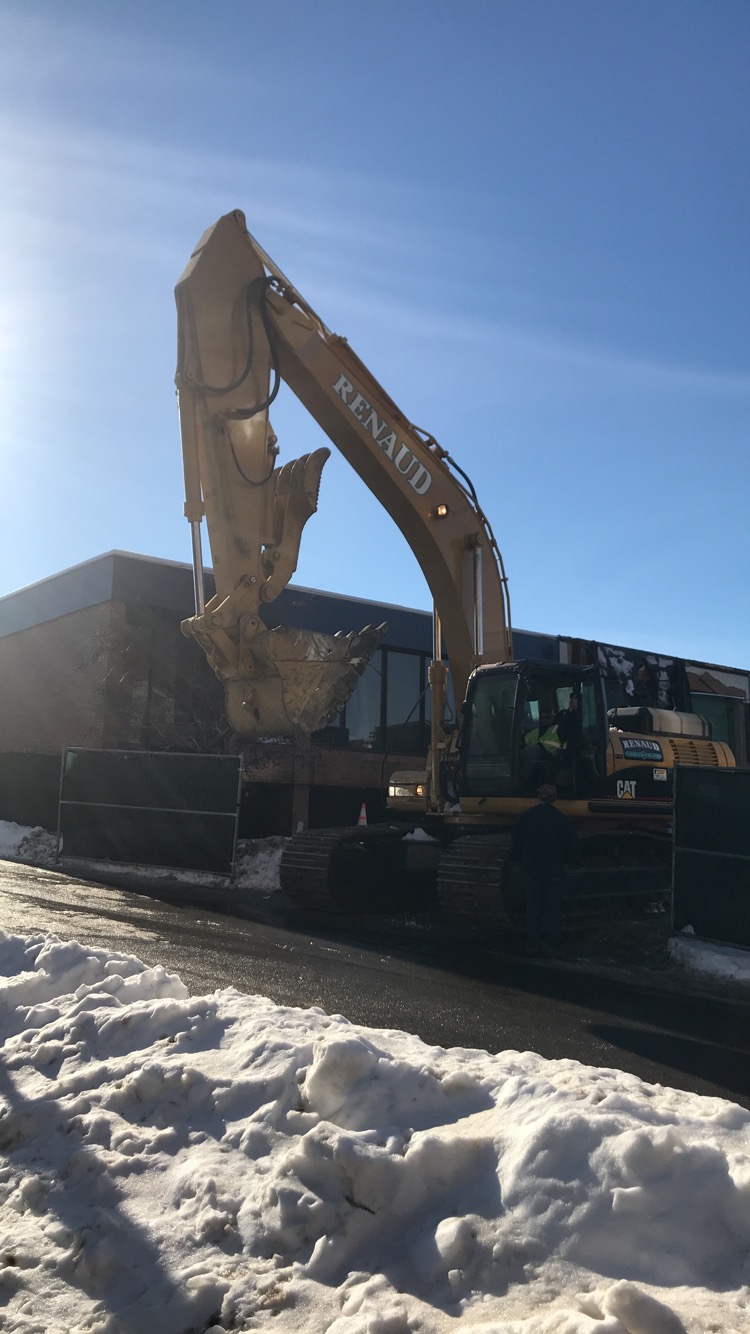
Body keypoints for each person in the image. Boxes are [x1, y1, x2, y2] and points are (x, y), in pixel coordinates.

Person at [511, 784, 579, 957]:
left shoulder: (526, 817)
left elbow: (516, 842)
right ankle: (552, 944)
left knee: (533, 906)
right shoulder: (561, 819)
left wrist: (522, 861)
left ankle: (532, 944)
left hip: (533, 868)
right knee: (553, 908)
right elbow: (571, 845)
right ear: (554, 798)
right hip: (554, 869)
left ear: (539, 797)